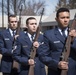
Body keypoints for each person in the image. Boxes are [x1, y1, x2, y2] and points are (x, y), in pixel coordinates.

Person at [38, 8, 76, 75]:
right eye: (62, 17)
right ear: (56, 19)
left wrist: (74, 41)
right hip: (55, 72)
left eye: (67, 17)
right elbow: (43, 55)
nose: (65, 20)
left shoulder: (74, 33)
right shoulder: (48, 34)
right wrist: (57, 64)